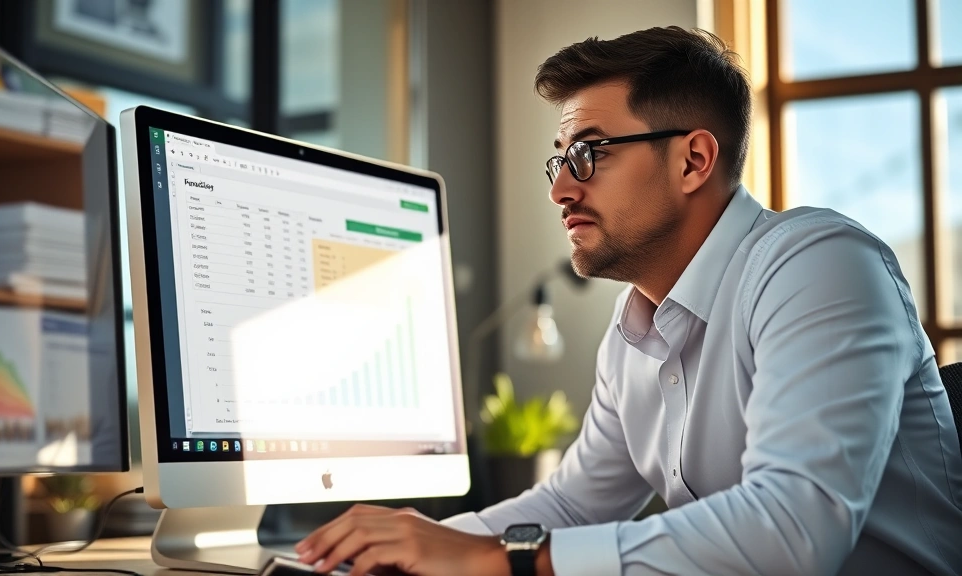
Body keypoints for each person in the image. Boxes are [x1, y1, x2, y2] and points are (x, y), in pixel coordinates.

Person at [294, 26, 962, 576]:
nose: (560, 191)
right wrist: (404, 548)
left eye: (588, 154)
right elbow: (575, 502)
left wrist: (497, 558)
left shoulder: (817, 264)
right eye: (558, 161)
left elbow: (792, 529)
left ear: (694, 161)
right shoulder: (632, 330)